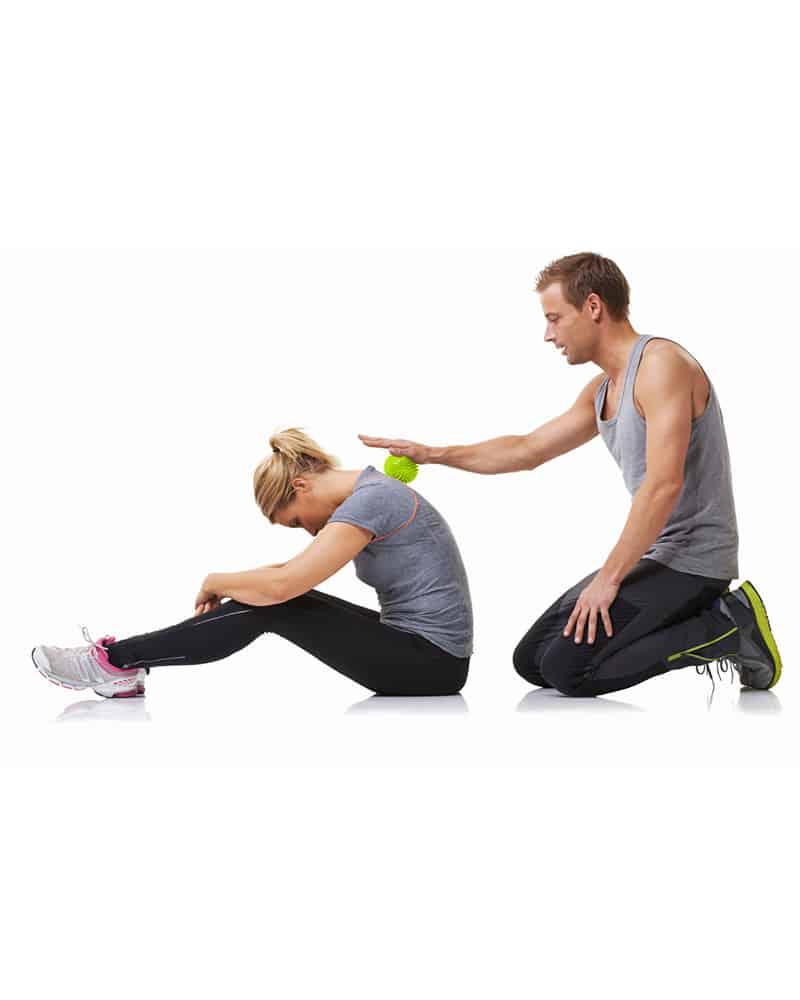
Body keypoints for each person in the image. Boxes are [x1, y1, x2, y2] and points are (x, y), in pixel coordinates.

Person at [360, 252, 782, 697]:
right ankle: (693, 617)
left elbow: (663, 485)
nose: (548, 334)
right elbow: (527, 449)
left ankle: (728, 625)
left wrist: (608, 579)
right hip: (656, 556)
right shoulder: (602, 389)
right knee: (533, 661)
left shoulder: (661, 366)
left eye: (555, 318)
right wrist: (434, 453)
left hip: (696, 562)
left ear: (594, 307)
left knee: (569, 672)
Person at [32, 429, 473, 698]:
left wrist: (215, 579)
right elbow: (286, 573)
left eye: (297, 520)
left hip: (430, 665)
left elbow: (282, 586)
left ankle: (111, 662)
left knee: (280, 602)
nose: (310, 532)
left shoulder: (374, 500)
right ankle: (122, 668)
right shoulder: (372, 494)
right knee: (280, 598)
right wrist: (225, 583)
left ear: (301, 485)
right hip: (422, 655)